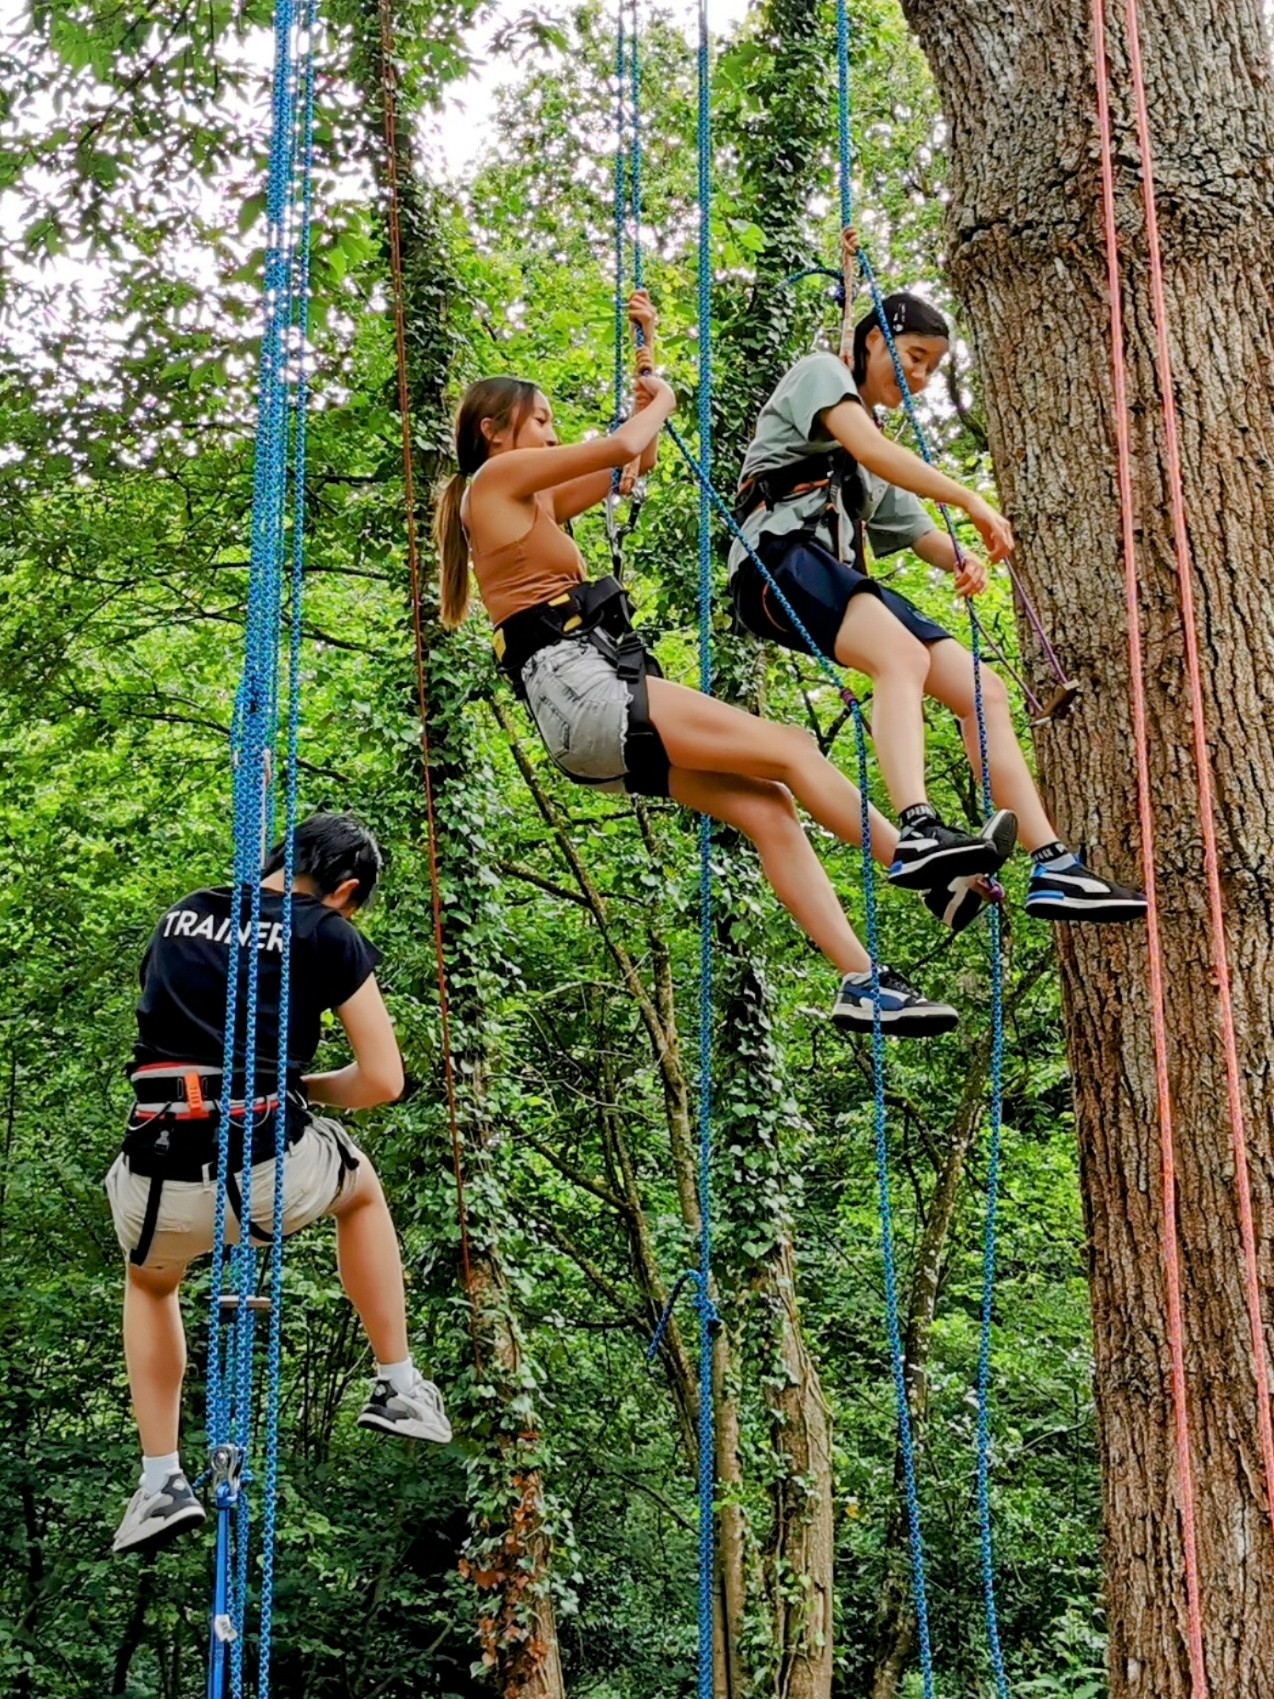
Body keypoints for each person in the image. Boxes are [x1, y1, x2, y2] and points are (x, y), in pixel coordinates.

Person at [433, 291, 1012, 1037]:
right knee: (792, 752)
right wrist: (662, 402)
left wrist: (648, 353)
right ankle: (922, 860)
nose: (549, 435)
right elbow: (617, 446)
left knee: (766, 805)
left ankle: (864, 978)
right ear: (494, 431)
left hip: (584, 712)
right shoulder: (493, 484)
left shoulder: (533, 504)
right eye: (539, 421)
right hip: (584, 688)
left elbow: (626, 467)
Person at [729, 230, 1146, 925]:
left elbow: (912, 528)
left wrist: (960, 556)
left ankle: (1054, 866)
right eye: (913, 358)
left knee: (980, 689)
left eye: (929, 368)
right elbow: (871, 448)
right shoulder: (820, 374)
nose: (917, 379)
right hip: (777, 560)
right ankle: (918, 825)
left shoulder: (868, 458)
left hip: (827, 573)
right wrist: (972, 499)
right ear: (871, 340)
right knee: (899, 656)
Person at [106, 813, 450, 1557]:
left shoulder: (181, 915)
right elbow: (384, 1079)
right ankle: (398, 1383)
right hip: (261, 1175)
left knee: (150, 1284)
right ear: (347, 890)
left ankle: (159, 1478)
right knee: (361, 1189)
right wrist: (303, 1089)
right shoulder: (326, 933)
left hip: (154, 1181)